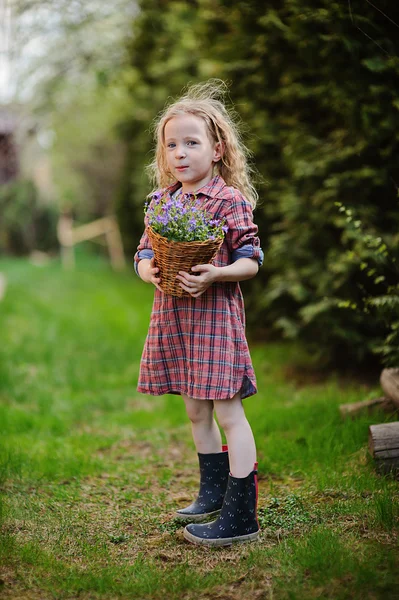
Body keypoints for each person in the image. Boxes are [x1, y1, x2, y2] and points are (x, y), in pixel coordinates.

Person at [134, 80, 264, 547]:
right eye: (172, 144)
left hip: (213, 321)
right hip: (175, 321)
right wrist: (149, 271)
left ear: (217, 149)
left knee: (228, 412)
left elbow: (252, 260)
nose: (180, 153)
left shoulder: (228, 200)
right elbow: (143, 254)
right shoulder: (162, 202)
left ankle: (241, 513)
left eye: (192, 143)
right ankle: (211, 493)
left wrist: (216, 274)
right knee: (194, 409)